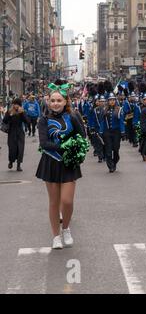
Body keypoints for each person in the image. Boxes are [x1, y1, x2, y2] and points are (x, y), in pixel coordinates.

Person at [36, 82, 87, 249]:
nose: (56, 103)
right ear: (48, 102)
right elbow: (44, 143)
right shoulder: (43, 120)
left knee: (67, 201)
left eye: (59, 100)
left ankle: (66, 228)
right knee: (53, 202)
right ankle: (55, 236)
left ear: (65, 102)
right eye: (53, 100)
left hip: (68, 164)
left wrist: (76, 152)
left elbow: (82, 137)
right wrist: (65, 147)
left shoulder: (72, 117)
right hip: (50, 162)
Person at [100, 93, 125, 173]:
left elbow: (121, 122)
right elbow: (102, 122)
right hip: (107, 132)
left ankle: (114, 162)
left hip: (116, 132)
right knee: (108, 150)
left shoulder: (119, 109)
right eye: (110, 100)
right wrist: (101, 131)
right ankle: (110, 166)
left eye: (113, 100)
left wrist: (123, 132)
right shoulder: (104, 110)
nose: (112, 101)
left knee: (116, 149)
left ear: (115, 100)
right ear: (108, 101)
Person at [3, 98, 29, 171]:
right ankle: (11, 161)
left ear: (20, 105)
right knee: (12, 148)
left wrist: (22, 113)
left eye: (17, 104)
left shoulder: (22, 112)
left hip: (20, 132)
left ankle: (18, 165)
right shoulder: (9, 111)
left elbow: (27, 121)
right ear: (13, 104)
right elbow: (4, 121)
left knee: (20, 149)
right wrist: (9, 115)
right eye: (15, 104)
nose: (16, 106)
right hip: (11, 132)